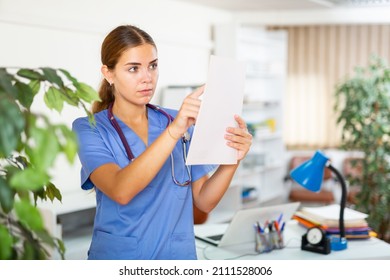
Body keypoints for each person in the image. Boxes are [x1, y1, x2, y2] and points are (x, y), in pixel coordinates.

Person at [72, 24, 252, 260]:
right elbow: (121, 190)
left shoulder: (178, 122)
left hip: (177, 258)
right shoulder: (89, 128)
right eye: (133, 68)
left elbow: (204, 202)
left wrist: (233, 159)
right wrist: (174, 131)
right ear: (109, 73)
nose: (147, 78)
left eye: (153, 66)